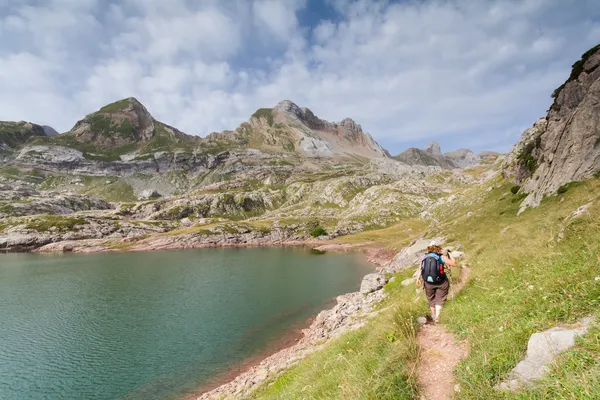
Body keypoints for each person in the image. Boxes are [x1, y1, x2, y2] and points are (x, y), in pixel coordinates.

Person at [416, 241, 456, 323]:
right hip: (441, 282)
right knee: (440, 298)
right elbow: (453, 263)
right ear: (438, 248)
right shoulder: (441, 257)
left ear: (429, 248)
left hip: (428, 283)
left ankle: (434, 316)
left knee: (431, 299)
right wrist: (449, 254)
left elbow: (420, 269)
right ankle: (437, 317)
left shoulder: (424, 257)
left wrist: (418, 279)